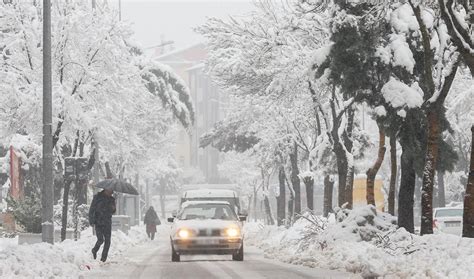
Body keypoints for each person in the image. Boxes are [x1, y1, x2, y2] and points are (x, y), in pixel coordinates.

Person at [88, 188, 116, 262]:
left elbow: (113, 211)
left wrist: (113, 209)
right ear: (106, 190)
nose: (111, 192)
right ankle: (94, 250)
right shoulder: (97, 197)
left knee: (108, 241)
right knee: (100, 239)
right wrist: (91, 220)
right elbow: (92, 209)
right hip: (99, 221)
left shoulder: (112, 199)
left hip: (107, 222)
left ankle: (103, 259)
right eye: (110, 191)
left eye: (112, 191)